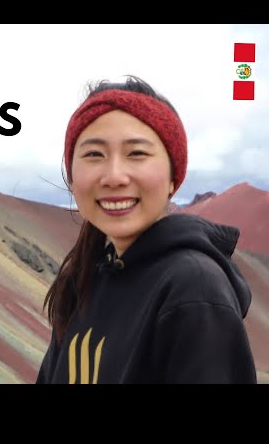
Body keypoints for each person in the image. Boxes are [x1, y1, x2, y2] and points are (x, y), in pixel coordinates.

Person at [36, 76, 257, 384]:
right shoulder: (87, 278)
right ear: (72, 174)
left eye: (137, 153)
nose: (114, 176)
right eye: (93, 155)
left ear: (172, 176)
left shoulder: (193, 287)